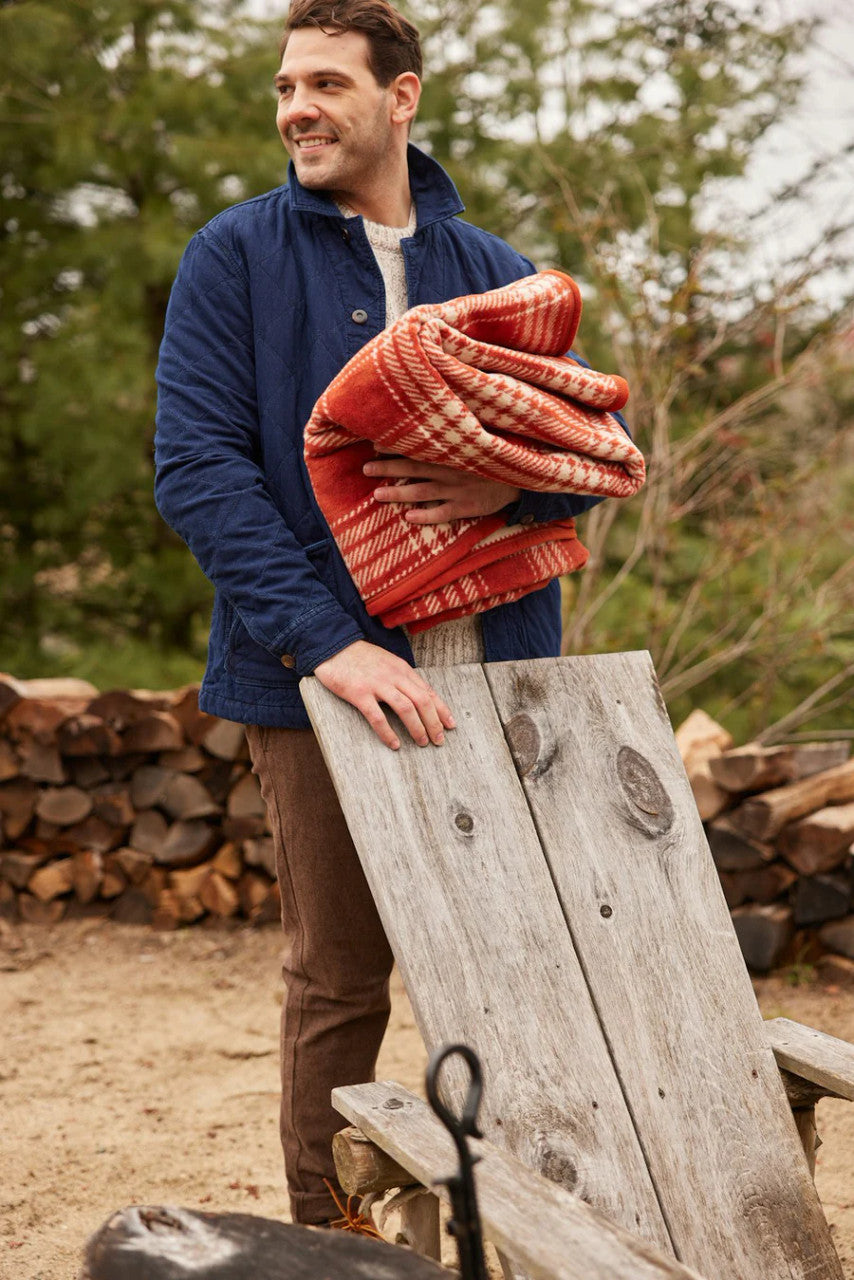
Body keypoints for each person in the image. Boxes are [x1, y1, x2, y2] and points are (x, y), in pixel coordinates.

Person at [154, 0, 619, 1226]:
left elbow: (596, 435)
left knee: (519, 963)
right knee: (340, 977)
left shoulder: (497, 270)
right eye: (284, 87)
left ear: (399, 97)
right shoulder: (232, 256)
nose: (296, 108)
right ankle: (332, 1235)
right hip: (314, 678)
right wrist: (332, 645)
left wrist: (509, 485)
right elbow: (196, 468)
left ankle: (529, 1224)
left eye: (325, 83)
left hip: (496, 669)